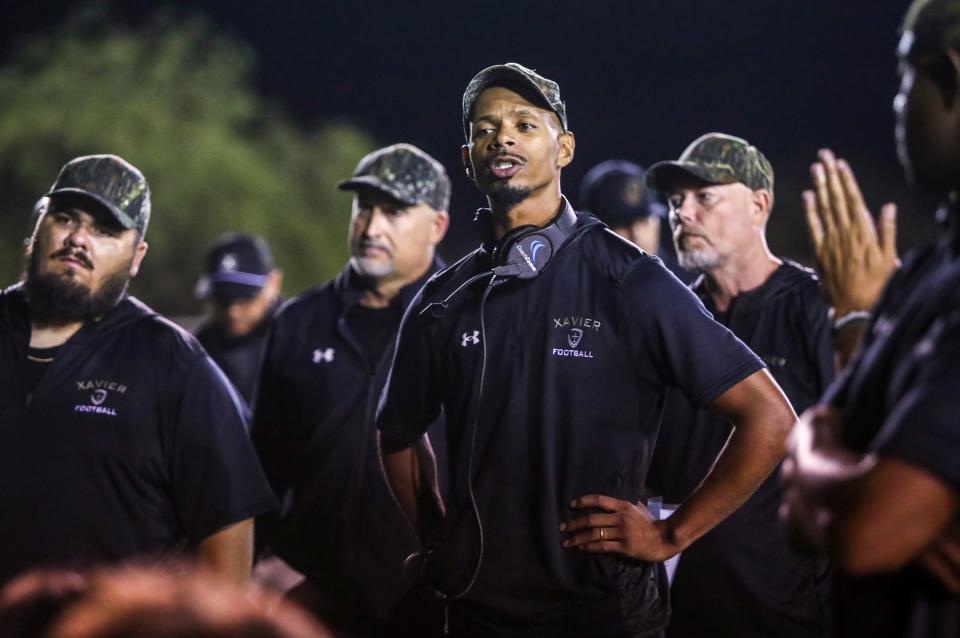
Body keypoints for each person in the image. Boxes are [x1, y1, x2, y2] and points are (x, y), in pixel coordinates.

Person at [376, 62, 797, 637]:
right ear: (469, 155)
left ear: (564, 148)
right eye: (485, 127)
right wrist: (436, 533)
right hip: (473, 613)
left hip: (604, 616)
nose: (502, 136)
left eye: (526, 124)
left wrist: (671, 535)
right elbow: (395, 433)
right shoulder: (442, 300)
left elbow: (769, 417)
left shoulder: (630, 281)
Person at [0, 155, 277, 588]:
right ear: (38, 226)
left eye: (105, 230)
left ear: (136, 256)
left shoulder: (174, 363)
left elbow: (228, 532)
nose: (77, 239)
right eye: (66, 217)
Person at [781, 1, 960, 635]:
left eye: (907, 79)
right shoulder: (924, 273)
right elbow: (797, 507)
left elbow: (864, 533)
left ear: (948, 76)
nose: (897, 104)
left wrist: (815, 448)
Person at [251, 143, 450, 636]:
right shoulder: (297, 321)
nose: (372, 226)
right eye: (364, 207)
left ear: (437, 226)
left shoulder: (471, 321)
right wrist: (264, 563)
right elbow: (260, 466)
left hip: (436, 600)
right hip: (309, 598)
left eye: (395, 211)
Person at [643, 133, 833, 638]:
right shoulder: (670, 319)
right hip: (681, 609)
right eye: (675, 201)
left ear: (759, 204)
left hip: (787, 609)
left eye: (705, 196)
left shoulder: (814, 308)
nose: (683, 213)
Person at [194, 233, 283, 405]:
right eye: (223, 300)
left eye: (246, 299)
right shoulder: (196, 348)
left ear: (274, 283)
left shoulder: (300, 340)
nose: (232, 311)